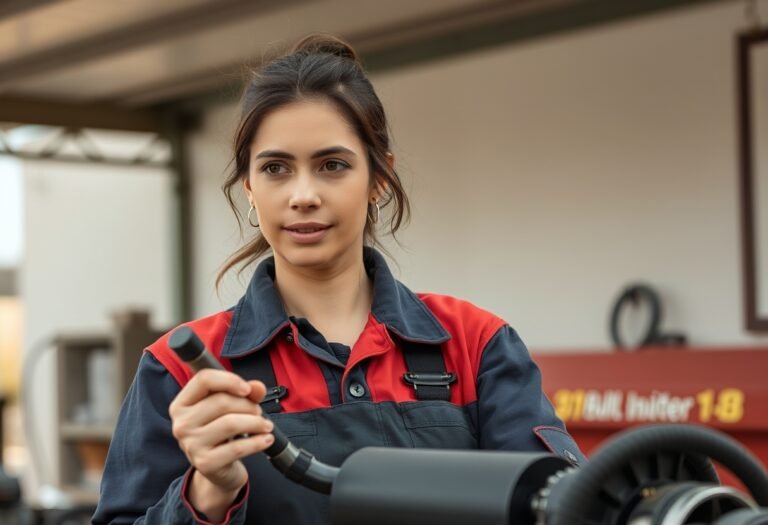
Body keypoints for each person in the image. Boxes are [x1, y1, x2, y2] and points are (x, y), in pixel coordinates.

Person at [92, 33, 584, 525]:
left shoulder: (475, 344)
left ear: (379, 179)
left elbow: (567, 507)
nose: (303, 195)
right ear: (249, 188)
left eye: (332, 165)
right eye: (276, 168)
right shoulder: (181, 373)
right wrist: (206, 492)